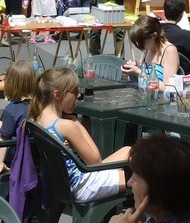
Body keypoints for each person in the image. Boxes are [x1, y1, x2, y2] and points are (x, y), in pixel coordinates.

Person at [32, 67, 132, 202]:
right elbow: (95, 161)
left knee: (129, 151)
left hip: (65, 184)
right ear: (57, 94)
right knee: (142, 174)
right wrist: (76, 123)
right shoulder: (66, 126)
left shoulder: (36, 119)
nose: (79, 95)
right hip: (83, 185)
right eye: (74, 91)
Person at [0, 60, 37, 177]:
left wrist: (0, 162)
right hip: (35, 153)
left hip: (17, 156)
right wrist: (5, 124)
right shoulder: (38, 106)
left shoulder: (11, 110)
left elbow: (4, 140)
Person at [124, 14, 182, 88]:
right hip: (145, 94)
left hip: (161, 98)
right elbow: (142, 81)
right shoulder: (147, 49)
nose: (139, 45)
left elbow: (167, 87)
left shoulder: (169, 51)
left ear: (154, 36)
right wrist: (133, 69)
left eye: (142, 42)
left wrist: (139, 73)